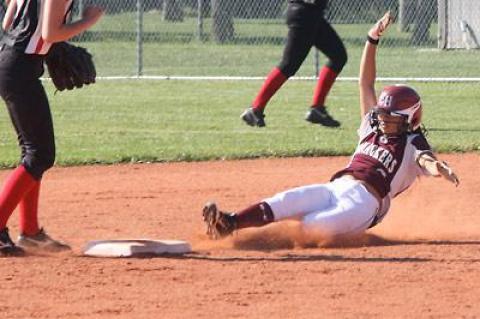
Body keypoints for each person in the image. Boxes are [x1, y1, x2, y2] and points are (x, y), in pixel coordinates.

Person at [203, 12, 460, 241]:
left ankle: (257, 243)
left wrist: (438, 167)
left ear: (411, 119)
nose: (382, 120)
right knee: (286, 201)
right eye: (382, 115)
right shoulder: (372, 126)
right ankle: (229, 223)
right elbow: (365, 83)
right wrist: (371, 40)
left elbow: (425, 160)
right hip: (336, 186)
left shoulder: (413, 143)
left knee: (315, 226)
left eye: (391, 118)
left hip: (366, 203)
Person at [0, 0, 104, 256]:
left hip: (12, 62)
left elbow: (8, 22)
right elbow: (49, 33)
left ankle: (31, 232)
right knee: (40, 155)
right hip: (20, 70)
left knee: (33, 154)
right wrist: (88, 21)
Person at [241, 0, 347, 128]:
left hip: (311, 14)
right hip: (304, 14)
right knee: (288, 65)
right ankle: (255, 108)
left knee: (338, 57)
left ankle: (317, 109)